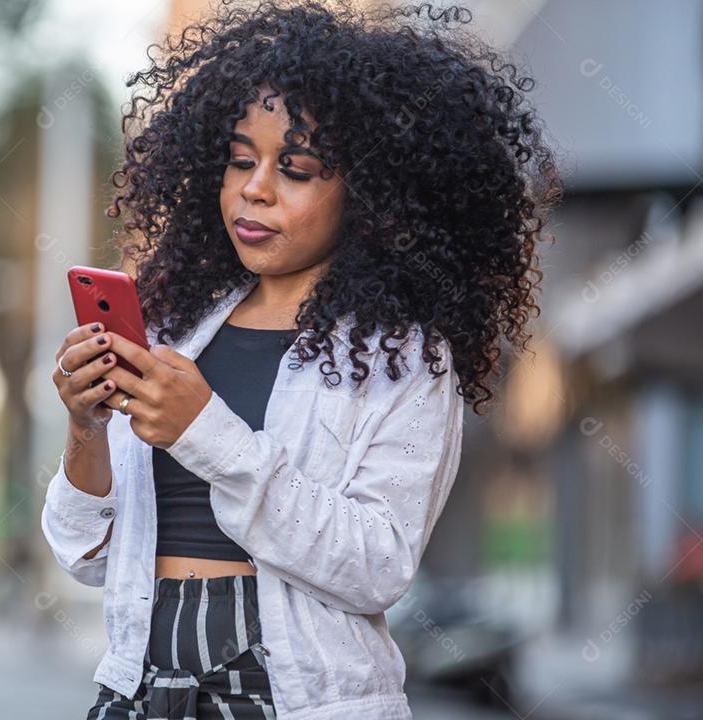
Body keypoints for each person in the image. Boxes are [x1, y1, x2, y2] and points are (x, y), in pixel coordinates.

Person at [43, 1, 562, 717]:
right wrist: (85, 428)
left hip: (293, 697)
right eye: (239, 160)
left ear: (371, 194)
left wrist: (205, 433)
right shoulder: (176, 331)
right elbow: (87, 555)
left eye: (296, 167)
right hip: (141, 689)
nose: (255, 188)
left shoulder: (401, 357)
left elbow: (377, 565)